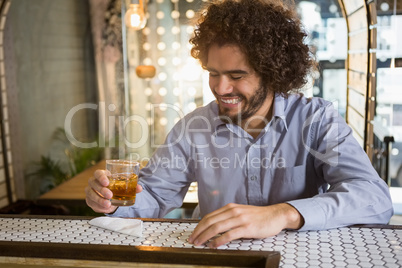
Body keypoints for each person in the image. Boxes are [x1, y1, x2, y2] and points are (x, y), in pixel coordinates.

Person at [85, 0, 393, 248]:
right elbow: (153, 194)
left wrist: (284, 214)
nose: (220, 88)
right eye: (213, 73)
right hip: (214, 253)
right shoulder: (193, 128)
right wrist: (111, 203)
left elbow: (374, 199)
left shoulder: (317, 120)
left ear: (272, 73)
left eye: (236, 76)